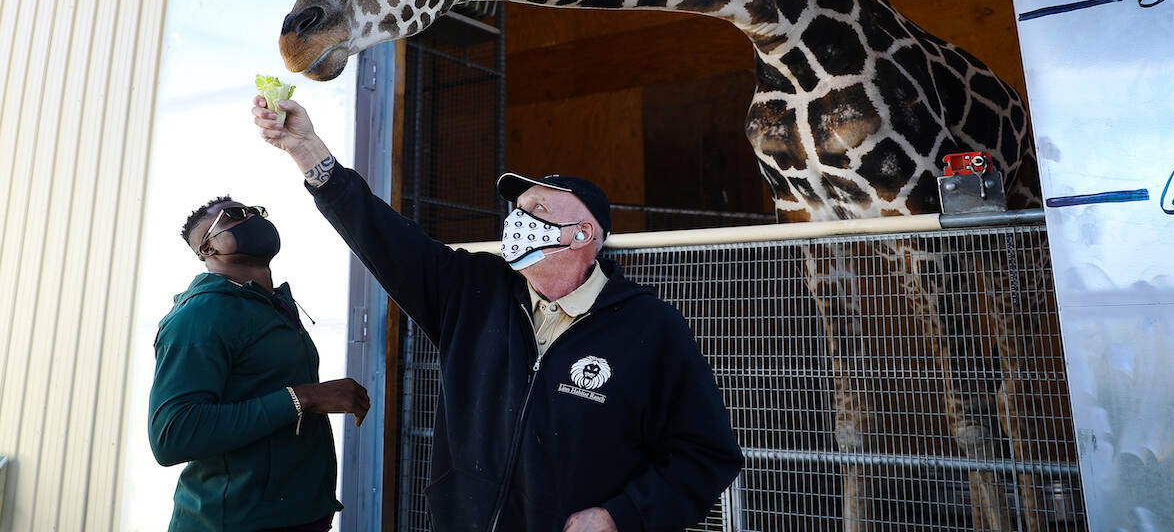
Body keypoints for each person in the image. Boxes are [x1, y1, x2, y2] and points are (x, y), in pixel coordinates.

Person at [252, 95, 744, 532]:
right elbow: (384, 238)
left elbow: (708, 455)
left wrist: (620, 516)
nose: (520, 221)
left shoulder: (650, 328)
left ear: (584, 235)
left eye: (539, 211)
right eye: (519, 209)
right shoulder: (473, 289)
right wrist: (307, 150)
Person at [149, 196, 372, 532]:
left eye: (255, 212)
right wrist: (303, 397)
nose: (252, 217)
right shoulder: (200, 316)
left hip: (299, 518)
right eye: (235, 215)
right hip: (236, 522)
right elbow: (173, 434)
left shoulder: (268, 304)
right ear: (207, 249)